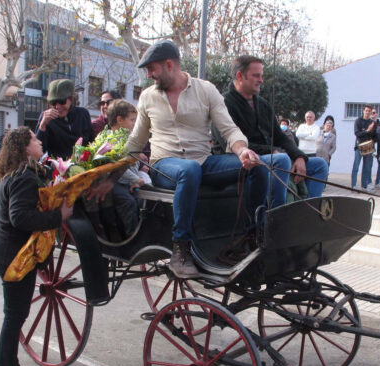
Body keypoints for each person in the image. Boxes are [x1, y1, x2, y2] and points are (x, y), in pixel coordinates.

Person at [124, 40, 271, 278]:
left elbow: (229, 129)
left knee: (257, 165)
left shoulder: (206, 90)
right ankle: (181, 249)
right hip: (164, 166)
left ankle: (252, 236)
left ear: (169, 65)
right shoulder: (148, 97)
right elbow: (135, 141)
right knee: (189, 170)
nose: (149, 75)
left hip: (203, 161)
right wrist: (111, 167)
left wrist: (243, 151)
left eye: (152, 69)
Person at [0, 127, 74, 366]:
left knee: (16, 314)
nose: (39, 142)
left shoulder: (19, 173)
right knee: (14, 317)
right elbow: (20, 218)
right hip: (13, 254)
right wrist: (59, 217)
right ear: (25, 147)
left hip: (5, 249)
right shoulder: (24, 177)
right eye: (35, 140)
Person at [220, 55, 329, 204]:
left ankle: (307, 215)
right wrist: (272, 151)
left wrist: (298, 157)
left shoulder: (263, 104)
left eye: (262, 76)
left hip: (274, 158)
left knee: (319, 165)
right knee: (281, 160)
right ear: (240, 76)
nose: (261, 80)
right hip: (241, 160)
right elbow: (228, 143)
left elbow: (280, 137)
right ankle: (275, 218)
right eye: (256, 75)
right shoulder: (224, 103)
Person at [106, 99, 151, 237]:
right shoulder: (111, 140)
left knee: (144, 199)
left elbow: (131, 164)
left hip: (128, 181)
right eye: (132, 120)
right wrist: (135, 179)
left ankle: (144, 231)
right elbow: (119, 167)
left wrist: (138, 158)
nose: (134, 124)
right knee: (128, 201)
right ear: (119, 120)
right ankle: (130, 236)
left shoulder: (127, 139)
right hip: (114, 182)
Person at [36, 79, 94, 159]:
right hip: (58, 168)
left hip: (82, 166)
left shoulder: (82, 114)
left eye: (62, 101)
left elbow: (91, 142)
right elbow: (39, 151)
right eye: (53, 103)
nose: (58, 107)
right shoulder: (46, 118)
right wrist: (42, 126)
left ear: (71, 98)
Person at [352, 105, 378, 189]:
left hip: (369, 146)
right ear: (363, 111)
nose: (368, 112)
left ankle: (364, 185)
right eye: (366, 110)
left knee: (367, 167)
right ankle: (354, 185)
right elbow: (357, 134)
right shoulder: (358, 121)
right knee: (356, 166)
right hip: (359, 146)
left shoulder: (372, 122)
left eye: (369, 111)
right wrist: (367, 131)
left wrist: (368, 132)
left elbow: (374, 135)